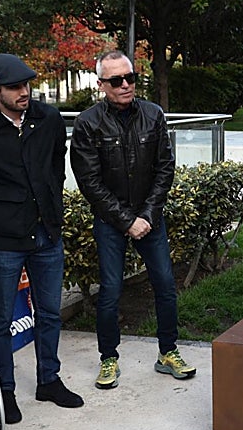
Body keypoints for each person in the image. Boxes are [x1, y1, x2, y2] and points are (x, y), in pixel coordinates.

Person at [0, 54, 83, 424]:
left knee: (49, 312)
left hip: (47, 231)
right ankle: (4, 390)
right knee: (1, 318)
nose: (23, 92)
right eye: (14, 87)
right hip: (2, 238)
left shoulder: (49, 119)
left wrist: (53, 208)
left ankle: (49, 380)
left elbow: (56, 166)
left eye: (26, 84)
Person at [70, 50, 195, 388]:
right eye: (116, 80)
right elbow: (90, 183)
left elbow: (164, 167)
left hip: (149, 217)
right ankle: (108, 358)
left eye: (130, 78)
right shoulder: (88, 123)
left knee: (166, 285)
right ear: (101, 85)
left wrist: (148, 215)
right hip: (112, 221)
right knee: (110, 290)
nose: (125, 85)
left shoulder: (153, 115)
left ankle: (168, 352)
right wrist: (127, 221)